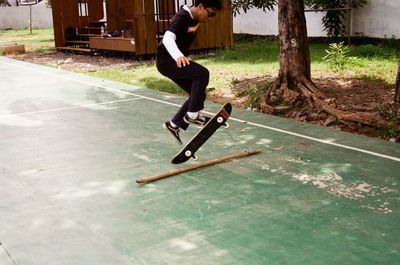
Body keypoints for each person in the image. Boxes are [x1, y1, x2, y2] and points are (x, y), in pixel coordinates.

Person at [156, 0, 223, 145]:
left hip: (173, 61)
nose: (209, 18)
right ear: (200, 7)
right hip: (167, 61)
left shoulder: (194, 18)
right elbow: (168, 38)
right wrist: (178, 55)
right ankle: (192, 115)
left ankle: (173, 125)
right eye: (209, 14)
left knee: (197, 93)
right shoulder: (182, 17)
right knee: (202, 73)